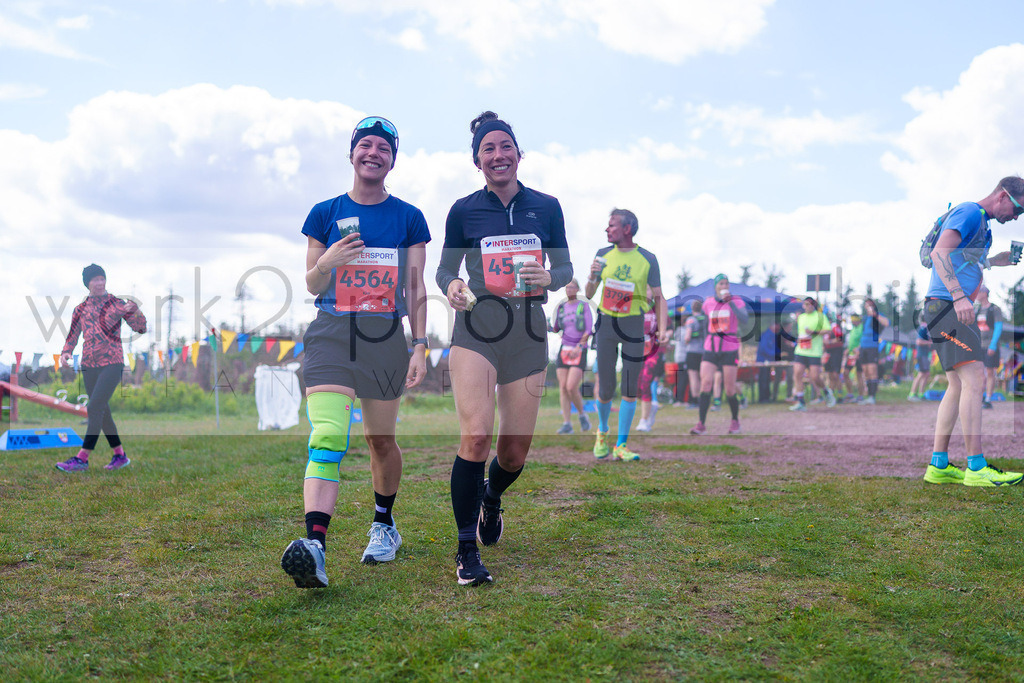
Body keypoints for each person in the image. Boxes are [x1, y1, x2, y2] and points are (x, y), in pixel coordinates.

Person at [280, 116, 430, 589]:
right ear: (351, 154)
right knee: (327, 435)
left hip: (385, 336)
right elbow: (312, 283)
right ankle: (315, 547)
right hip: (332, 331)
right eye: (365, 145)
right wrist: (328, 260)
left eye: (383, 148)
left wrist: (420, 345)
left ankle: (384, 524)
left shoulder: (409, 217)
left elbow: (415, 286)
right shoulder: (324, 212)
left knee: (379, 440)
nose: (373, 153)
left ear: (392, 161)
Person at [437, 111, 573, 586]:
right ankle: (466, 551)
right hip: (477, 329)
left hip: (528, 334)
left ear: (519, 153)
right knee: (476, 436)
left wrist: (549, 276)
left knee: (513, 454)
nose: (498, 155)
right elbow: (444, 269)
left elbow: (565, 268)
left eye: (505, 147)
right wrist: (452, 285)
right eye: (488, 149)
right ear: (477, 161)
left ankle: (491, 498)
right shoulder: (463, 210)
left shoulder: (547, 207)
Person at [922, 176, 1024, 487]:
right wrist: (958, 296)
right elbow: (940, 253)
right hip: (948, 306)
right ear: (1003, 196)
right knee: (975, 378)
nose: (1016, 217)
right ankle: (976, 467)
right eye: (1018, 209)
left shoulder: (982, 224)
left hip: (947, 307)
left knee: (957, 384)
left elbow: (963, 261)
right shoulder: (968, 212)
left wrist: (994, 261)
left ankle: (939, 465)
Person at [584, 209, 670, 460]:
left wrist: (663, 328)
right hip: (607, 324)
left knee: (630, 385)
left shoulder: (648, 259)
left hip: (633, 325)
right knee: (606, 386)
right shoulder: (602, 254)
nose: (607, 229)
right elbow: (588, 293)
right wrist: (592, 276)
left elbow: (659, 296)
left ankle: (621, 445)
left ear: (627, 229)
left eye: (612, 225)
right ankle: (602, 431)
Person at [56, 264, 147, 472]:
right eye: (95, 279)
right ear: (87, 284)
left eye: (102, 278)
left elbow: (141, 328)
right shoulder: (80, 309)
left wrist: (135, 310)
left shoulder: (117, 304)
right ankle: (120, 455)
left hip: (112, 362)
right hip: (88, 365)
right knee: (102, 411)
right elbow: (73, 334)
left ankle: (82, 458)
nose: (100, 282)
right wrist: (66, 351)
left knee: (94, 407)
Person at [690, 274, 750, 435]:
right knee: (706, 384)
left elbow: (745, 319)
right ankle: (701, 424)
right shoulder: (708, 303)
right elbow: (705, 323)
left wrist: (731, 303)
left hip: (729, 347)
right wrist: (705, 340)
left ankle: (735, 421)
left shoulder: (737, 300)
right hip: (711, 347)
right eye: (721, 283)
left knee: (729, 389)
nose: (724, 286)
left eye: (726, 283)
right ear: (716, 286)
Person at [551, 279, 593, 434]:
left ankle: (582, 415)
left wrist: (579, 346)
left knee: (571, 387)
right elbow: (556, 328)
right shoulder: (561, 308)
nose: (569, 290)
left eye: (572, 287)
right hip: (564, 349)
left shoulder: (584, 306)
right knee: (563, 387)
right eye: (567, 287)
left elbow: (588, 330)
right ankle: (567, 423)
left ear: (577, 289)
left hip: (579, 350)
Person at [789, 297, 835, 411]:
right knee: (797, 374)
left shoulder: (820, 316)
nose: (806, 306)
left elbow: (828, 330)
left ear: (813, 305)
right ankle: (801, 402)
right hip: (801, 350)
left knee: (814, 377)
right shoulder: (801, 317)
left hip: (814, 352)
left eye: (808, 304)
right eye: (805, 304)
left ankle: (826, 391)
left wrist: (814, 332)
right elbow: (801, 333)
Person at [974, 285, 1004, 409]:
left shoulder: (994, 309)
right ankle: (980, 396)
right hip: (978, 346)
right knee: (979, 372)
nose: (976, 294)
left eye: (978, 292)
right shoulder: (977, 310)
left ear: (985, 293)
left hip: (990, 346)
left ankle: (988, 399)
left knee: (990, 372)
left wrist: (993, 345)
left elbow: (998, 327)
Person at [636, 291, 662, 432]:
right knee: (636, 386)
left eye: (649, 289)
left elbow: (668, 328)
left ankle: (644, 420)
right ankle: (651, 407)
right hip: (636, 350)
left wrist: (663, 334)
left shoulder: (658, 308)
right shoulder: (635, 307)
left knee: (646, 382)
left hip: (653, 351)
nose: (646, 292)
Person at [858, 298, 889, 405]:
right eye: (867, 305)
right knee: (865, 371)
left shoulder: (878, 316)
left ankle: (872, 396)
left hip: (872, 347)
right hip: (863, 347)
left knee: (872, 371)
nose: (868, 307)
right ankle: (868, 395)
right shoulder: (865, 318)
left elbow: (886, 323)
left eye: (870, 305)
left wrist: (875, 315)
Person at [680, 300, 706, 408]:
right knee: (701, 377)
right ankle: (702, 399)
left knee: (693, 376)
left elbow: (687, 337)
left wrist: (685, 341)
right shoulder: (705, 319)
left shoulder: (691, 320)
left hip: (692, 351)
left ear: (692, 308)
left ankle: (694, 400)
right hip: (704, 351)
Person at [756, 321, 782, 403]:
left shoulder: (773, 335)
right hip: (762, 361)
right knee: (763, 379)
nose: (778, 329)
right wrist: (775, 354)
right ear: (773, 326)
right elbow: (763, 349)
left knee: (767, 379)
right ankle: (763, 398)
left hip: (769, 361)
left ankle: (767, 397)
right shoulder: (766, 335)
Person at [907, 322, 932, 401]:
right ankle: (912, 394)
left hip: (925, 355)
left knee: (926, 374)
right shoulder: (923, 328)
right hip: (921, 355)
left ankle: (921, 394)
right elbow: (918, 341)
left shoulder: (926, 329)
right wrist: (930, 342)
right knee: (921, 374)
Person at [823, 313, 845, 400]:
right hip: (828, 353)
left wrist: (829, 342)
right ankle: (831, 395)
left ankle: (839, 394)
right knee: (830, 375)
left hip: (836, 352)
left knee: (836, 374)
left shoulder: (834, 327)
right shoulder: (824, 329)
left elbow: (839, 339)